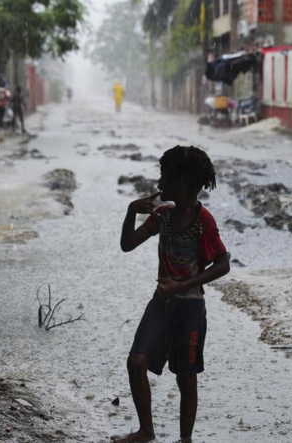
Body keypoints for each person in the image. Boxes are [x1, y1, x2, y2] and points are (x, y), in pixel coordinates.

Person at [113, 146, 231, 443]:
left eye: (164, 174)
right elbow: (128, 245)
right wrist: (130, 211)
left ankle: (185, 439)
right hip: (161, 304)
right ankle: (146, 431)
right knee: (136, 362)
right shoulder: (162, 216)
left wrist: (180, 286)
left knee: (185, 377)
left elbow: (223, 264)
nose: (159, 182)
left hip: (190, 309)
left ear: (181, 180)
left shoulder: (204, 221)